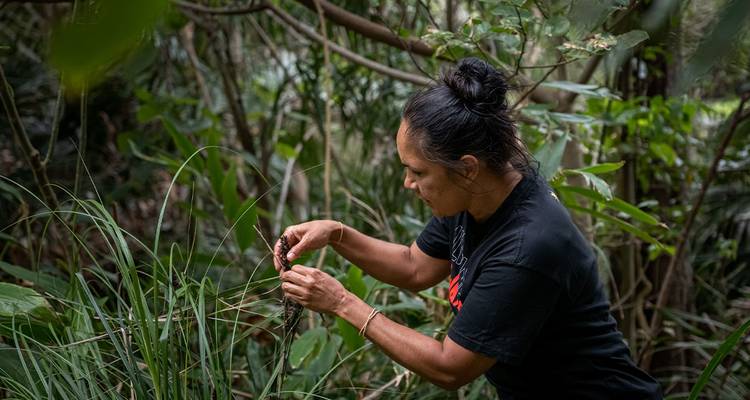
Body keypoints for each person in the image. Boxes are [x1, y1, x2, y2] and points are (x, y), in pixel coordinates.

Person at [274, 57, 662, 399]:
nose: (408, 183)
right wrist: (335, 233)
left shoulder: (528, 246)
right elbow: (414, 267)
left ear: (467, 167)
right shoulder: (475, 197)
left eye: (417, 172)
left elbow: (450, 367)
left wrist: (343, 302)